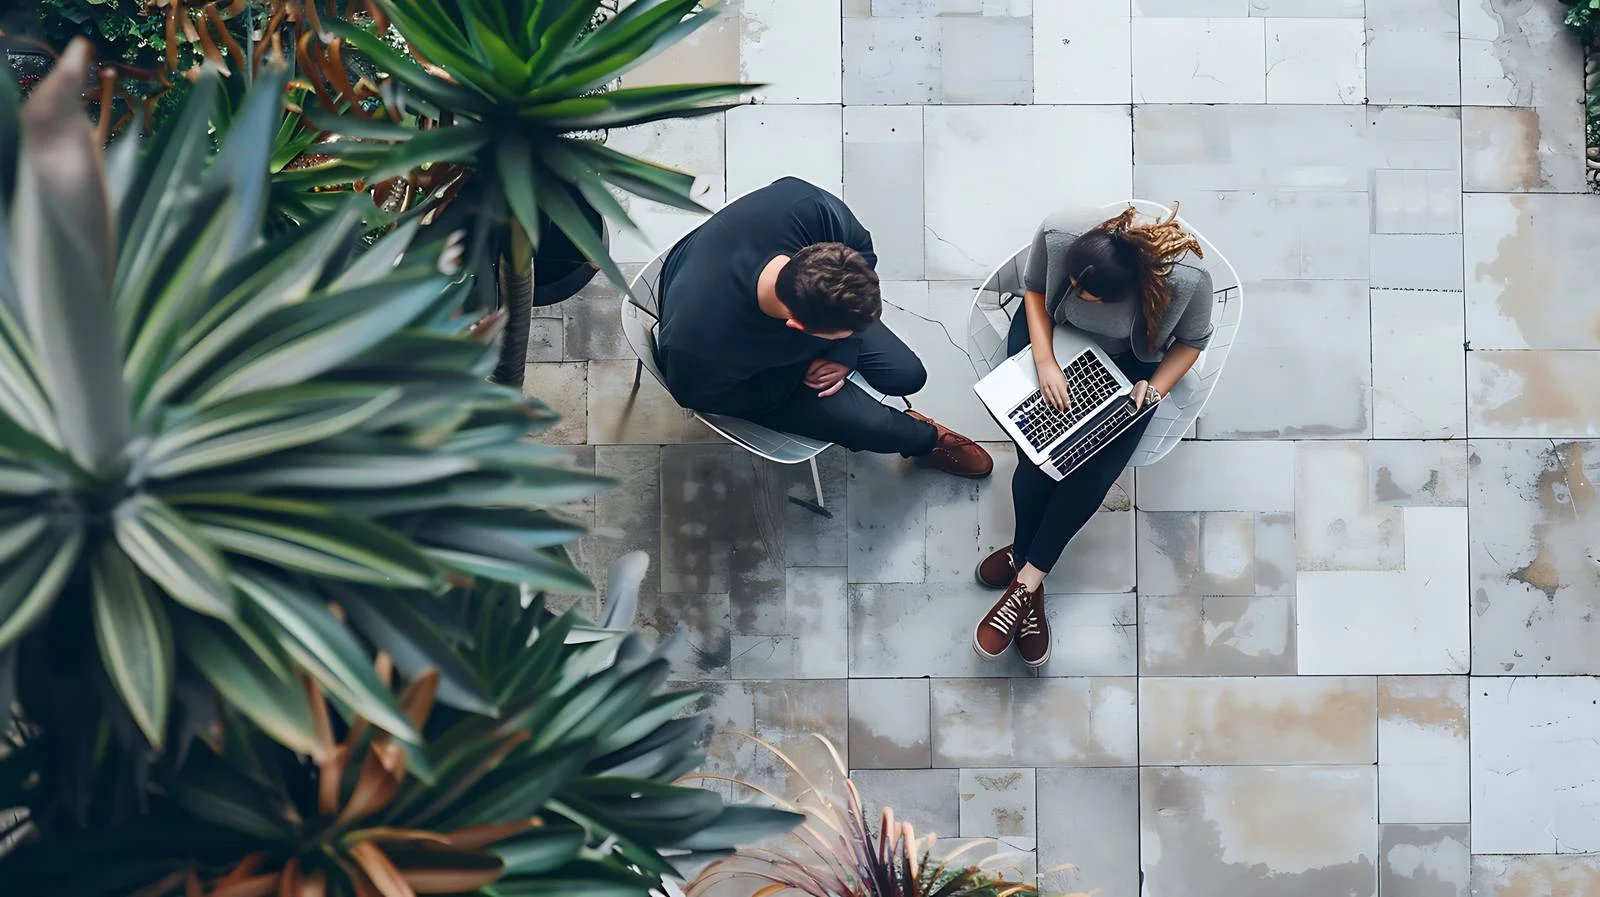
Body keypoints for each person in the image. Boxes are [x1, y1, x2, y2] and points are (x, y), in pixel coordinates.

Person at [972, 204, 1214, 667]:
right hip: (1050, 337)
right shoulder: (1060, 234)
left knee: (1091, 472)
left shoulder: (1188, 284)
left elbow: (1193, 342)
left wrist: (1155, 387)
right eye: (1076, 285)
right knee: (1037, 457)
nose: (1077, 294)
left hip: (1130, 365)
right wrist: (1044, 363)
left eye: (1090, 295)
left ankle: (1023, 577)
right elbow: (1036, 291)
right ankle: (1030, 583)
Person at [655, 176, 992, 478]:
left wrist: (845, 349)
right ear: (798, 326)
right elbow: (698, 396)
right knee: (871, 424)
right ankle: (925, 441)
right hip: (756, 381)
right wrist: (796, 377)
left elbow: (862, 251)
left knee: (907, 374)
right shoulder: (700, 347)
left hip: (785, 310)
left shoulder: (805, 208)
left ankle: (887, 404)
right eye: (843, 334)